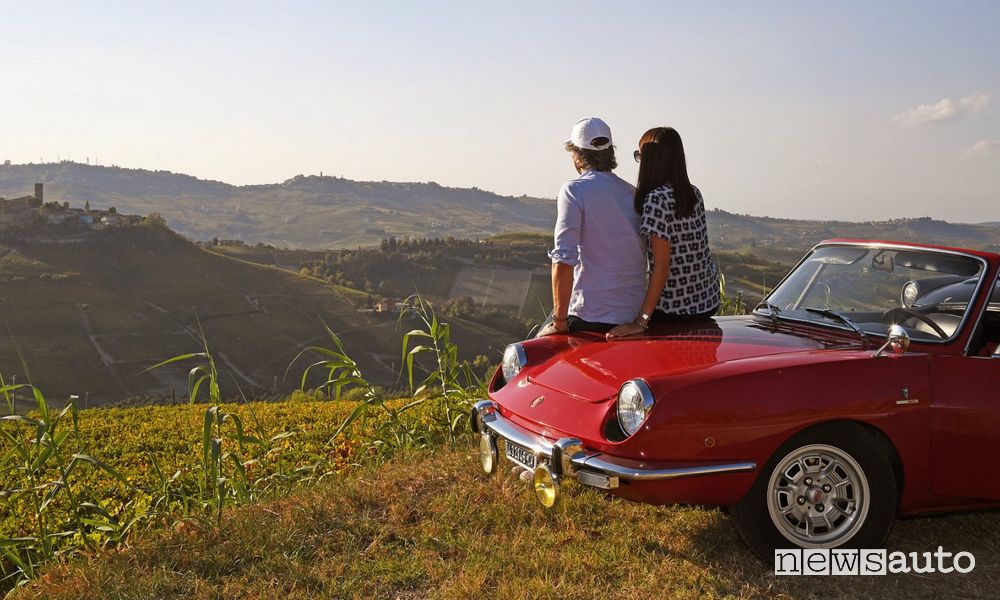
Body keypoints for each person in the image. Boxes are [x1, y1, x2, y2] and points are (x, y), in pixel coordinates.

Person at [606, 127, 720, 339]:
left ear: (652, 160)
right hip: (707, 302)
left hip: (675, 309)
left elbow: (662, 267)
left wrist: (641, 321)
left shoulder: (656, 200)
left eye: (640, 155)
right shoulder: (693, 192)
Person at [537, 117, 647, 336]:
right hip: (632, 314)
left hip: (590, 314)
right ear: (610, 153)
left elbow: (564, 258)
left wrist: (560, 321)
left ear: (578, 156)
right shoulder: (633, 193)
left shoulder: (574, 190)